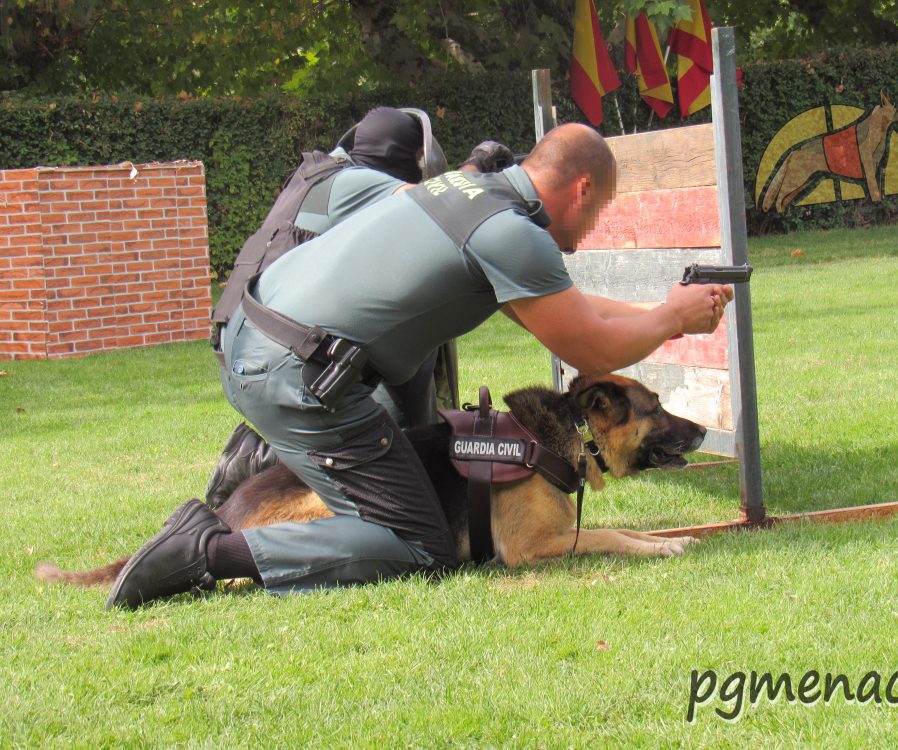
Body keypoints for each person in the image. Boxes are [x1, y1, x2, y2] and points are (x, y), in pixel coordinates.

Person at [107, 123, 733, 609]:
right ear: (582, 189)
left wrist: (662, 307)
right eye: (600, 211)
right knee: (417, 544)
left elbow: (571, 310)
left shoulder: (467, 197)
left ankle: (228, 526)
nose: (593, 227)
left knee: (407, 515)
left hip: (264, 341)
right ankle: (208, 551)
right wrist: (674, 319)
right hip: (301, 376)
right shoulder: (513, 233)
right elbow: (591, 352)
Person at [205, 107, 514, 508]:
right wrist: (479, 167)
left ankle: (268, 458)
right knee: (402, 363)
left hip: (250, 332)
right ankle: (263, 460)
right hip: (281, 342)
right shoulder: (353, 182)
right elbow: (440, 203)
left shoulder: (317, 173)